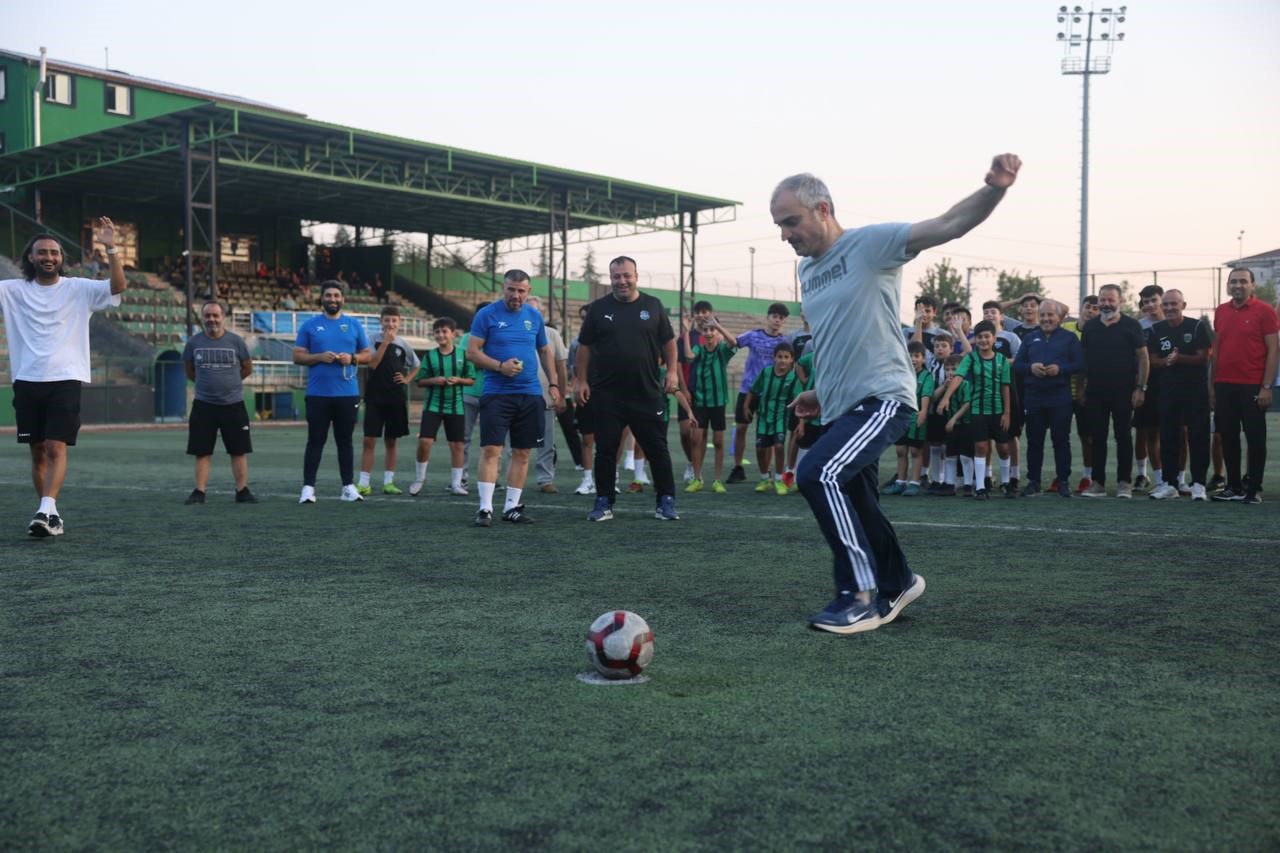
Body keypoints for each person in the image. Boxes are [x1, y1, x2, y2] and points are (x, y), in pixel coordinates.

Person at [773, 152, 1021, 634]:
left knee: (818, 472)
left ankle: (859, 594)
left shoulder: (870, 244)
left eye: (791, 221)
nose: (785, 234)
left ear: (822, 209)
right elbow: (834, 338)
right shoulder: (807, 272)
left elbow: (949, 223)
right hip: (843, 404)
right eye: (779, 225)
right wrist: (821, 393)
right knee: (857, 496)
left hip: (884, 397)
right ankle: (898, 579)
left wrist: (995, 188)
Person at [0, 220, 127, 537]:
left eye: (54, 252)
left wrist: (110, 247)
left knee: (56, 446)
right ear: (30, 257)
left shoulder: (78, 288)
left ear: (61, 258)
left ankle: (45, 510)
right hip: (27, 380)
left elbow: (118, 286)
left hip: (65, 378)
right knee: (37, 450)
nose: (49, 257)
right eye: (42, 252)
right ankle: (49, 513)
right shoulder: (11, 290)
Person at [574, 256, 681, 522]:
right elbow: (585, 347)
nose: (622, 281)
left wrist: (672, 371)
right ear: (610, 278)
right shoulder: (598, 309)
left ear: (636, 276)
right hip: (607, 394)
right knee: (607, 450)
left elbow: (669, 342)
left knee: (657, 448)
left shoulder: (653, 306)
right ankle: (604, 502)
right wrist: (581, 380)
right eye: (616, 276)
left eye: (626, 275)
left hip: (646, 392)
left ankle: (665, 501)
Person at [465, 270, 561, 526]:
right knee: (491, 450)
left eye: (521, 290)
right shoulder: (487, 314)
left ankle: (512, 508)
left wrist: (553, 383)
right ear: (503, 288)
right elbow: (472, 353)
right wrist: (499, 366)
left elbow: (544, 350)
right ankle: (485, 508)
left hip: (530, 395)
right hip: (497, 394)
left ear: (528, 292)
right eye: (511, 289)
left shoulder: (534, 316)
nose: (516, 295)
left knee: (522, 452)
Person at [293, 281, 373, 503]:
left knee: (345, 441)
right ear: (322, 299)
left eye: (336, 295)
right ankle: (308, 489)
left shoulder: (354, 324)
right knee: (315, 440)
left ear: (343, 299)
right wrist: (319, 357)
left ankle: (348, 487)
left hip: (347, 394)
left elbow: (368, 355)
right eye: (328, 295)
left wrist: (353, 358)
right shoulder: (309, 325)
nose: (332, 299)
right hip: (318, 394)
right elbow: (297, 356)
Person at [1209, 268, 1278, 504]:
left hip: (1252, 385)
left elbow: (1273, 351)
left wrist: (1266, 386)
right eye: (1233, 282)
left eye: (1242, 281)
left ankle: (1254, 488)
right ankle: (1234, 486)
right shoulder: (1221, 311)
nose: (1237, 285)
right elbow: (1217, 350)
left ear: (1252, 285)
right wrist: (1212, 386)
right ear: (1228, 285)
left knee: (1255, 438)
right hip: (1224, 385)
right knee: (1227, 436)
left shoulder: (1265, 311)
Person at [181, 300, 256, 505]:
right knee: (202, 450)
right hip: (204, 405)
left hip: (233, 405)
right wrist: (208, 384)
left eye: (215, 315)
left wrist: (230, 383)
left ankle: (242, 490)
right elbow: (189, 370)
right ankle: (200, 491)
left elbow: (247, 368)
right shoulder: (194, 343)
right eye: (207, 316)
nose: (211, 319)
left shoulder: (237, 342)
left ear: (223, 317)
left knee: (238, 449)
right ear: (203, 318)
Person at [1079, 283, 1148, 499]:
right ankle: (1098, 483)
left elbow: (1143, 358)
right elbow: (1084, 360)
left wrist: (1141, 388)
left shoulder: (1131, 325)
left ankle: (1124, 483)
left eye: (1111, 300)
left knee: (1123, 437)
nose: (1106, 304)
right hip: (1096, 392)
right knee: (1097, 437)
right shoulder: (1090, 327)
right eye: (1103, 300)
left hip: (1124, 391)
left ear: (1120, 301)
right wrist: (1081, 387)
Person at [1012, 299, 1082, 497]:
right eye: (1042, 315)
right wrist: (1030, 368)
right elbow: (1017, 365)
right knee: (1034, 441)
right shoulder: (1030, 338)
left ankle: (1063, 481)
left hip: (1060, 397)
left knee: (1061, 440)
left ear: (1059, 317)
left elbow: (1079, 364)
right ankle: (1033, 481)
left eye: (1050, 315)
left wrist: (1061, 369)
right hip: (1034, 397)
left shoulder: (1069, 338)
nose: (1046, 319)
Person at [1146, 290, 1212, 501]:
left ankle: (1199, 483)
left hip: (1195, 391)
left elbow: (1204, 356)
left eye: (1174, 304)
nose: (1169, 308)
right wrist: (1166, 361)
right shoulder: (1156, 329)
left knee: (1198, 436)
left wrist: (1179, 358)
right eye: (1165, 304)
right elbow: (1152, 359)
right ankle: (1170, 483)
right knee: (1168, 437)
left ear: (1183, 304)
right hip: (1168, 391)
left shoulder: (1197, 326)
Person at [939, 321, 1013, 499]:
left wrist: (1007, 412)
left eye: (987, 336)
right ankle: (980, 487)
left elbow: (1005, 387)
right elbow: (958, 377)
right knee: (980, 447)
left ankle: (1006, 483)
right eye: (979, 337)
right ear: (976, 340)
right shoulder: (971, 359)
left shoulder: (1002, 360)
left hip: (998, 411)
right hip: (978, 411)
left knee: (1003, 448)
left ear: (994, 339)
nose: (983, 340)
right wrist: (946, 397)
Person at [358, 306, 420, 496]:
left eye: (394, 320)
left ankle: (389, 482)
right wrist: (385, 343)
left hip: (395, 398)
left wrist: (407, 379)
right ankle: (364, 483)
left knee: (391, 441)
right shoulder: (371, 339)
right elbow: (373, 364)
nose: (390, 324)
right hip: (375, 397)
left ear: (400, 322)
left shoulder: (404, 344)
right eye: (387, 320)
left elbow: (417, 365)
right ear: (381, 321)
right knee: (369, 440)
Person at [411, 316, 475, 497]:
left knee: (457, 446)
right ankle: (419, 479)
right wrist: (434, 380)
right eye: (437, 332)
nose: (440, 335)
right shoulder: (430, 356)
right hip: (433, 406)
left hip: (456, 407)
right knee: (425, 441)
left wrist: (459, 380)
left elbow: (471, 380)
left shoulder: (463, 355)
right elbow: (419, 381)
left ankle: (456, 484)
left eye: (444, 331)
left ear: (453, 334)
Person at [727, 302, 791, 483]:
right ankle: (738, 467)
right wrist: (718, 328)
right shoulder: (753, 335)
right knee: (740, 428)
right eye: (775, 316)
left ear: (784, 321)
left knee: (769, 434)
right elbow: (734, 342)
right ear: (768, 317)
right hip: (747, 390)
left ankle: (767, 471)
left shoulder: (783, 342)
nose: (777, 320)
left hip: (770, 394)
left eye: (781, 318)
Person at [683, 312, 737, 494]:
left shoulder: (722, 350)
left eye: (712, 329)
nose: (708, 333)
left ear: (718, 332)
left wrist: (719, 326)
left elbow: (734, 343)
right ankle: (697, 479)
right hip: (700, 401)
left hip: (718, 403)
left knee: (718, 442)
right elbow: (689, 356)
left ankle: (717, 480)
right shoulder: (700, 349)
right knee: (696, 439)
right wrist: (685, 331)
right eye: (705, 329)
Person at [525, 295, 570, 494]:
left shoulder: (551, 334)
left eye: (535, 310)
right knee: (513, 444)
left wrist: (560, 393)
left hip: (545, 395)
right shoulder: (515, 332)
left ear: (541, 313)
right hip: (519, 394)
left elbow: (561, 366)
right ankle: (513, 480)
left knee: (546, 442)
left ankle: (545, 480)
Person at [744, 341, 801, 494]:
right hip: (763, 417)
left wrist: (801, 422)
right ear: (774, 357)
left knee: (779, 446)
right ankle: (764, 479)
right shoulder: (766, 372)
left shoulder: (793, 379)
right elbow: (753, 390)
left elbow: (799, 401)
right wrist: (746, 406)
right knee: (760, 448)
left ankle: (779, 479)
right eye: (780, 356)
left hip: (781, 418)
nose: (783, 360)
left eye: (786, 357)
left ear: (791, 359)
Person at [882, 341, 934, 497]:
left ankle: (915, 483)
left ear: (923, 359)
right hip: (900, 417)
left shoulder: (926, 376)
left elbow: (926, 395)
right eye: (909, 356)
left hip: (916, 417)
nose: (913, 359)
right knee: (900, 450)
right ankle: (900, 482)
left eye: (916, 356)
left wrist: (923, 411)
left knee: (915, 451)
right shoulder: (901, 374)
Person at [1061, 295, 1099, 492]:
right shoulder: (1067, 328)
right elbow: (1056, 308)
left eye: (1096, 308)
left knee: (1087, 436)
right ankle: (1062, 476)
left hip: (1087, 393)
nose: (1091, 311)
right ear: (1081, 308)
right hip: (1063, 392)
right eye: (1088, 307)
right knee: (1061, 435)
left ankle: (1088, 476)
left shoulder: (1100, 332)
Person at [1132, 284, 1166, 491]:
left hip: (1172, 386)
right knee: (1144, 432)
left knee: (1181, 433)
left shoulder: (1174, 323)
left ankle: (1179, 478)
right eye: (1146, 302)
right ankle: (1143, 475)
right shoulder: (1138, 326)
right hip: (1146, 385)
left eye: (1154, 300)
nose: (1151, 305)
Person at [459, 300, 491, 486]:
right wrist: (494, 364)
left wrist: (482, 359)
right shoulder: (467, 337)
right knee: (464, 438)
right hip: (469, 393)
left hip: (492, 394)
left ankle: (491, 478)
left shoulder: (497, 336)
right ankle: (461, 478)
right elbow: (469, 361)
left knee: (492, 442)